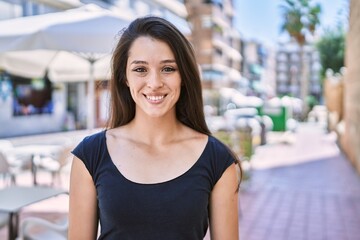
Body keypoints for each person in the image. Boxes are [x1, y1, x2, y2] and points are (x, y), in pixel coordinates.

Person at [68, 16, 241, 240]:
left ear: (184, 77)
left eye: (168, 69)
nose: (154, 82)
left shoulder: (217, 160)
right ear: (125, 78)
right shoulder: (90, 155)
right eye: (140, 69)